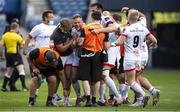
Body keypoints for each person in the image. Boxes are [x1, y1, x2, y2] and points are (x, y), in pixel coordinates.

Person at [114, 9, 157, 107]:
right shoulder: (143, 28)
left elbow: (119, 42)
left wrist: (114, 43)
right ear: (137, 17)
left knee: (130, 81)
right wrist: (153, 44)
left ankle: (143, 95)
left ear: (128, 18)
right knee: (131, 79)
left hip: (129, 57)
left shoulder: (128, 29)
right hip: (139, 57)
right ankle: (122, 98)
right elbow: (154, 40)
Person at [23, 10, 62, 102]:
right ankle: (34, 96)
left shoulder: (54, 28)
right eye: (51, 17)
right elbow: (29, 37)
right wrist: (25, 49)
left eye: (53, 17)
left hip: (50, 56)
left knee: (53, 78)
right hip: (38, 56)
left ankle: (53, 96)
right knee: (37, 78)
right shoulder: (38, 27)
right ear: (45, 18)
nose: (53, 18)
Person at [77, 11, 110, 106]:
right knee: (96, 79)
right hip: (98, 55)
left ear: (91, 18)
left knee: (85, 78)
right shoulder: (103, 29)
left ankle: (88, 99)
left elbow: (80, 43)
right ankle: (94, 100)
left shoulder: (85, 28)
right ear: (100, 19)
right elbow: (106, 46)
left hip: (86, 55)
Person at [50, 18, 73, 107]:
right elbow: (62, 49)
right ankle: (53, 98)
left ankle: (66, 100)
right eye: (67, 29)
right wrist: (71, 41)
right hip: (60, 56)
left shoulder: (69, 26)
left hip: (70, 55)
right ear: (62, 27)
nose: (69, 30)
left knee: (68, 77)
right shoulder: (56, 35)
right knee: (58, 78)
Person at [1, 23, 27, 92]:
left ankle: (3, 87)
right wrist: (30, 44)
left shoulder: (5, 35)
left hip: (8, 56)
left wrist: (0, 55)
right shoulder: (17, 36)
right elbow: (22, 45)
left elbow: (0, 45)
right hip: (15, 55)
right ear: (16, 28)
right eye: (18, 28)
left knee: (9, 71)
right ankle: (24, 87)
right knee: (21, 70)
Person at [71, 14, 86, 106]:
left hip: (86, 57)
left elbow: (81, 43)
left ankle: (90, 97)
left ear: (82, 22)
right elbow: (73, 45)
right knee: (73, 78)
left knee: (88, 79)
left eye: (79, 22)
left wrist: (77, 42)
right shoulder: (72, 30)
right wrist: (74, 42)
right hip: (76, 56)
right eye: (75, 22)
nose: (77, 24)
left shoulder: (87, 29)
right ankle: (79, 96)